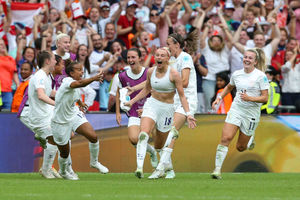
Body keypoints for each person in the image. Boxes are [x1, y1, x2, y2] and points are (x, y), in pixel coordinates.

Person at [125, 47, 196, 179]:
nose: (159, 57)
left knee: (160, 145)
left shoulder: (174, 74)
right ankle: (139, 168)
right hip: (152, 105)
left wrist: (189, 113)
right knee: (143, 134)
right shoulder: (151, 71)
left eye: (162, 55)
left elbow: (182, 96)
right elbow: (146, 90)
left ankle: (169, 169)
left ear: (168, 59)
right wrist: (132, 101)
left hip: (167, 109)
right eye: (157, 55)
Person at [211, 48, 269, 179]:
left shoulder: (260, 76)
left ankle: (250, 138)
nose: (247, 60)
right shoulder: (237, 74)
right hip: (236, 109)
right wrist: (219, 98)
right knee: (225, 138)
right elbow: (229, 87)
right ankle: (217, 170)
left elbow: (265, 98)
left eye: (250, 58)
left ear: (255, 61)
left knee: (240, 147)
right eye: (245, 57)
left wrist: (250, 98)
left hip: (252, 113)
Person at [149, 33, 198, 179]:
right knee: (161, 137)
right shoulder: (169, 60)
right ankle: (169, 169)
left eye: (168, 43)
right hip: (171, 101)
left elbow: (185, 81)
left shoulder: (185, 58)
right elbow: (153, 77)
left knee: (172, 132)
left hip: (186, 100)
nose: (166, 46)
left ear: (176, 44)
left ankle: (160, 168)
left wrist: (167, 83)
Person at [51, 61, 108, 180]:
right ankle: (63, 171)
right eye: (79, 70)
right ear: (71, 73)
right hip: (60, 120)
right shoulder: (67, 81)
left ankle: (94, 162)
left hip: (74, 114)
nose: (82, 72)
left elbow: (75, 95)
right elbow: (80, 83)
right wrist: (94, 78)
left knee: (93, 136)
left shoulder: (75, 85)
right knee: (65, 153)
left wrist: (81, 103)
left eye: (82, 70)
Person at [115, 48, 158, 170]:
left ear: (140, 58)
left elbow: (154, 90)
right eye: (128, 57)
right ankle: (152, 152)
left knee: (157, 140)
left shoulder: (148, 72)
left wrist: (147, 108)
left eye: (133, 57)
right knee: (134, 139)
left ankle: (164, 167)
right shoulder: (122, 76)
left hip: (150, 111)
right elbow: (119, 92)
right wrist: (118, 112)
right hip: (133, 112)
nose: (130, 60)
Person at [27, 51, 58, 179]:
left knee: (63, 136)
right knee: (55, 138)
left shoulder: (46, 76)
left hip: (46, 114)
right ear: (47, 61)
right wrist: (56, 105)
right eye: (54, 59)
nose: (56, 61)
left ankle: (48, 169)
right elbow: (41, 95)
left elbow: (50, 92)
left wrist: (69, 95)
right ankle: (46, 170)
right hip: (40, 117)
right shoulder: (39, 75)